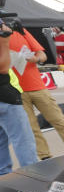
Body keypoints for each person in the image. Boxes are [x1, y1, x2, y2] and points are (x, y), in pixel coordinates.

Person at [8, 20, 64, 159]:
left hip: (37, 86)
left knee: (58, 120)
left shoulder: (21, 31)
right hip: (16, 90)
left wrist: (36, 59)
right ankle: (45, 156)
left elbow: (42, 55)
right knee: (32, 128)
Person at [0, 21, 39, 176]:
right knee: (23, 142)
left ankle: (3, 181)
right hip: (5, 97)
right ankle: (33, 179)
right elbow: (3, 68)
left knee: (1, 146)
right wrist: (4, 39)